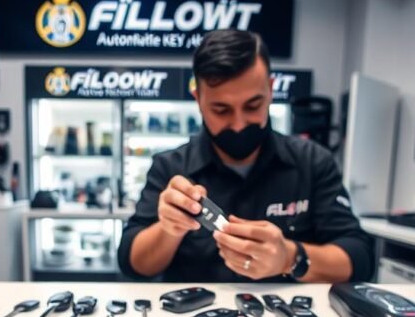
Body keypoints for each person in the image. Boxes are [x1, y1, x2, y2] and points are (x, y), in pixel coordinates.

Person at [117, 29, 374, 283]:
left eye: (253, 105)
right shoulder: (170, 166)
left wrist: (290, 258)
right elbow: (133, 264)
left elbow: (359, 258)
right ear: (198, 99)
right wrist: (168, 229)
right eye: (221, 109)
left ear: (271, 90)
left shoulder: (313, 161)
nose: (239, 124)